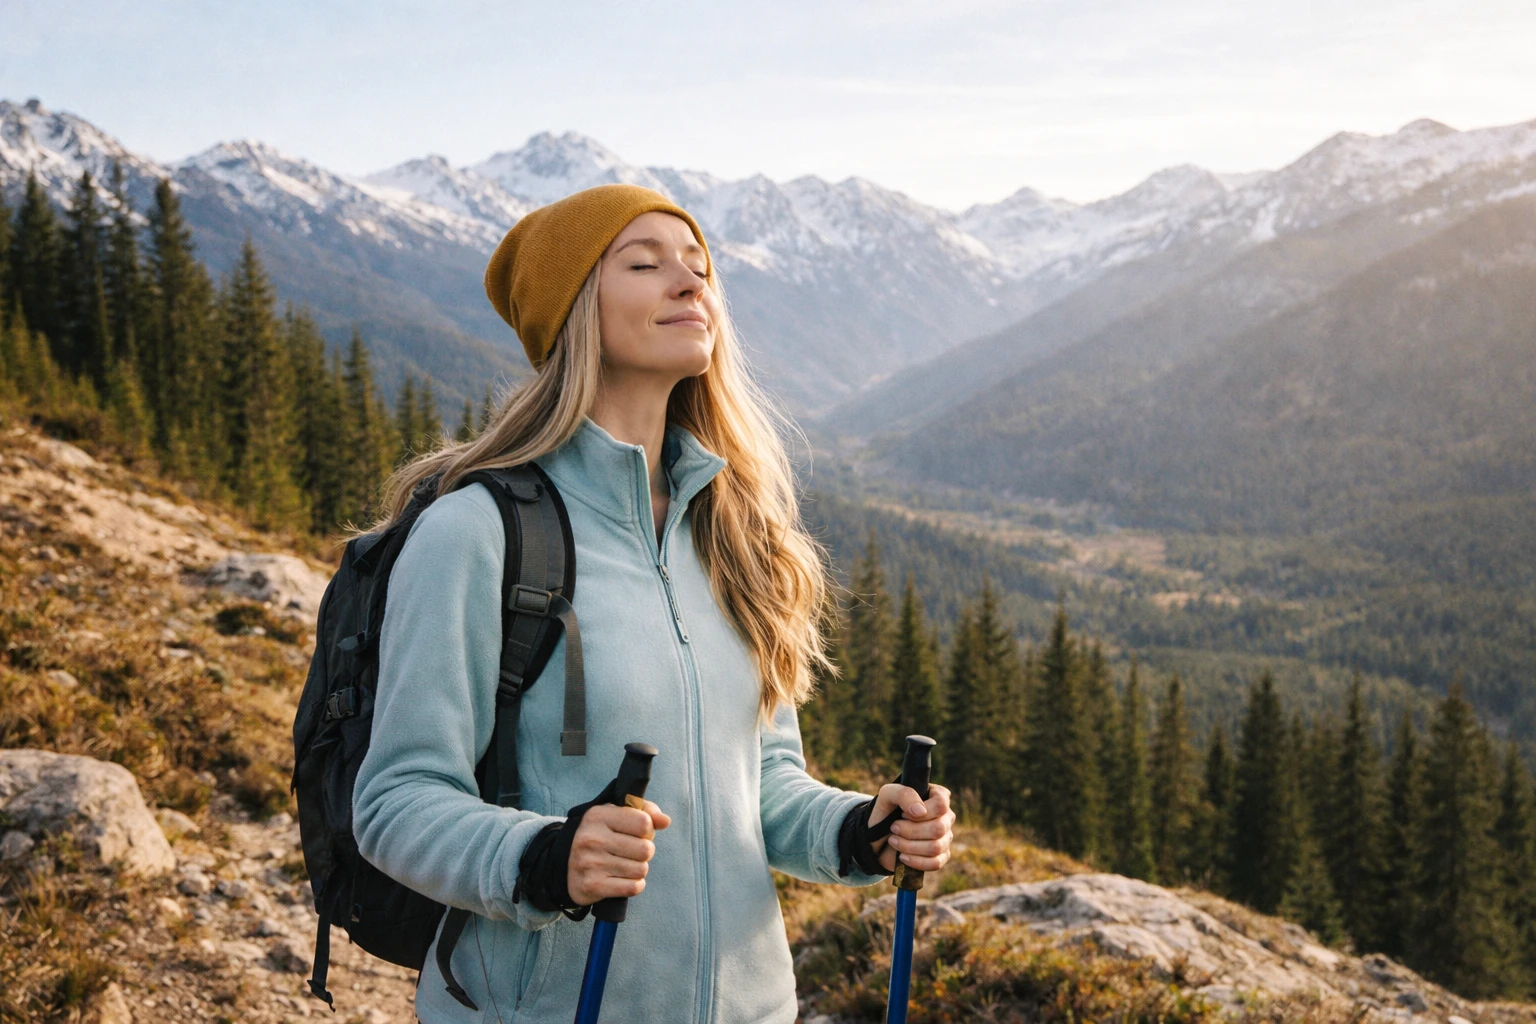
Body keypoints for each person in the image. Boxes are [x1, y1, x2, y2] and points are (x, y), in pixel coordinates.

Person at [353, 183, 955, 1023]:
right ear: (570, 315)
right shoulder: (476, 534)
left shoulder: (735, 534)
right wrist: (545, 856)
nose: (689, 282)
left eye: (699, 267)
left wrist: (863, 832)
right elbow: (395, 801)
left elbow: (763, 786)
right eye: (644, 263)